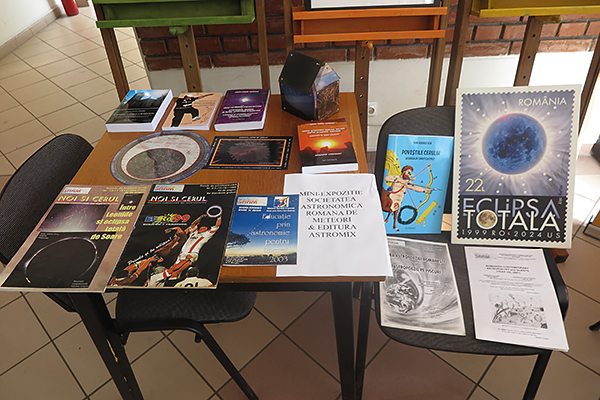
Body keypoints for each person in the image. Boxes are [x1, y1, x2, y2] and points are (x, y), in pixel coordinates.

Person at [384, 165, 430, 230]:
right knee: (391, 208)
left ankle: (393, 224)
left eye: (409, 173)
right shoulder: (397, 178)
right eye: (407, 172)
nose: (408, 174)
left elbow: (415, 187)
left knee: (396, 211)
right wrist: (398, 180)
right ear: (403, 171)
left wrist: (425, 190)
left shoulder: (407, 182)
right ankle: (386, 220)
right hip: (392, 197)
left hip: (399, 200)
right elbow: (386, 178)